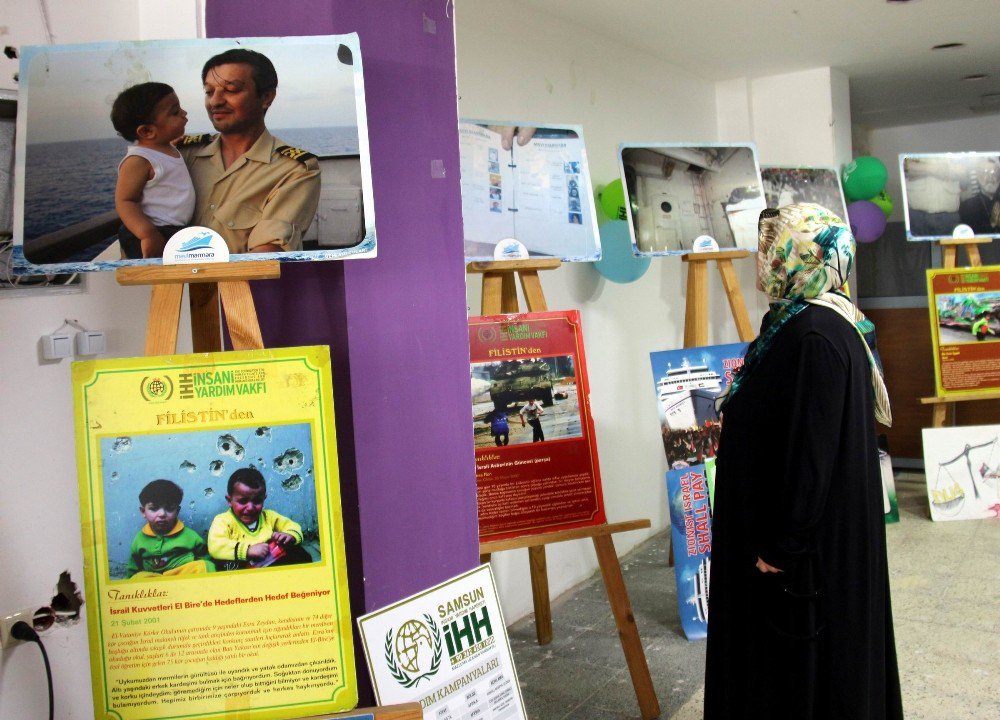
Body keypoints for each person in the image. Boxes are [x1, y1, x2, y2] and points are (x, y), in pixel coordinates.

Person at [705, 203, 902, 719]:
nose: (761, 258)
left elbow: (812, 457)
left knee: (799, 681)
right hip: (802, 544)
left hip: (801, 558)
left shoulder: (814, 335)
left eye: (773, 247)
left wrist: (781, 546)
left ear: (805, 257)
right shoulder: (806, 321)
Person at [177, 48, 320, 254]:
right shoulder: (181, 155)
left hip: (239, 285)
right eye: (209, 92)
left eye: (231, 89)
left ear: (266, 98)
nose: (215, 101)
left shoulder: (294, 170)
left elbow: (267, 252)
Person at [110, 82, 195, 259]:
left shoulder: (163, 148)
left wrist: (172, 142)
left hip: (173, 230)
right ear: (147, 131)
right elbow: (125, 201)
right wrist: (147, 234)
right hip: (153, 232)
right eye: (175, 112)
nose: (184, 114)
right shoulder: (139, 160)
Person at [207, 467, 310, 570]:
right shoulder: (223, 520)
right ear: (229, 500)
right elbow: (215, 545)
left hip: (269, 559)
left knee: (300, 553)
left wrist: (289, 536)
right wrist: (247, 551)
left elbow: (292, 525)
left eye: (257, 501)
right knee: (225, 565)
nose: (250, 508)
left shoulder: (268, 516)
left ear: (264, 499)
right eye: (243, 501)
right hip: (242, 563)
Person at [126, 479, 213, 578]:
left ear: (177, 511)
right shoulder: (139, 540)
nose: (162, 514)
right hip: (155, 582)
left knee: (206, 566)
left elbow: (205, 557)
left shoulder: (189, 536)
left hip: (182, 577)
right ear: (143, 512)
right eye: (154, 508)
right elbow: (133, 567)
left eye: (170, 508)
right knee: (138, 577)